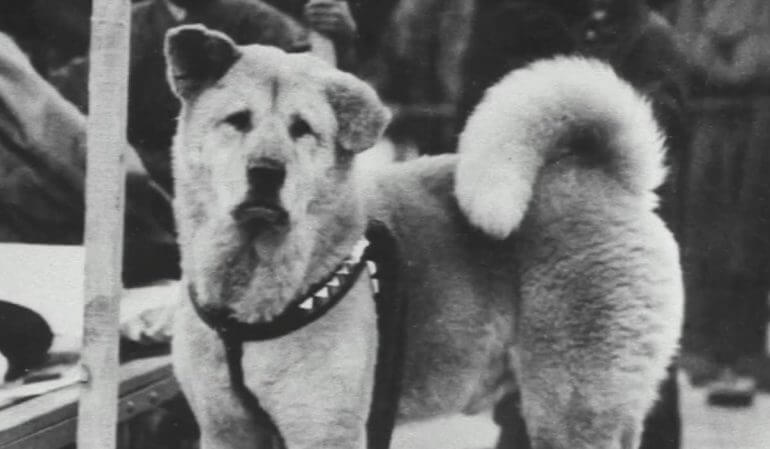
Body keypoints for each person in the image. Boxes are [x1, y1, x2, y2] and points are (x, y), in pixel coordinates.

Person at [458, 1, 690, 448]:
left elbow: (663, 129)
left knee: (630, 393)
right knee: (535, 394)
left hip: (619, 243)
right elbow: (476, 118)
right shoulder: (520, 26)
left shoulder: (647, 36)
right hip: (538, 242)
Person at [674, 0, 770, 403]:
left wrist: (724, 58)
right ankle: (702, 348)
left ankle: (745, 350)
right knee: (702, 235)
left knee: (750, 239)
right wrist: (721, 61)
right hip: (703, 120)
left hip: (760, 121)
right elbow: (682, 46)